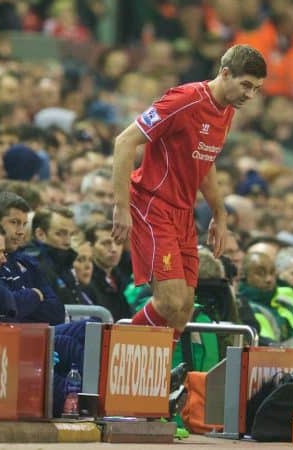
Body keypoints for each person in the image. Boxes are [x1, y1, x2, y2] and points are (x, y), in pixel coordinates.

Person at [111, 44, 267, 346]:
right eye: (246, 85)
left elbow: (203, 162)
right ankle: (113, 355)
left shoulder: (226, 110)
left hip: (183, 213)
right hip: (152, 203)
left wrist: (220, 215)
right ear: (225, 73)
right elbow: (124, 142)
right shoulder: (183, 100)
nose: (250, 95)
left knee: (182, 311)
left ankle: (151, 380)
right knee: (168, 302)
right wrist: (121, 207)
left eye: (257, 89)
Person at [0, 192, 65, 325]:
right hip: (8, 336)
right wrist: (35, 295)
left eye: (24, 224)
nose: (21, 231)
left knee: (91, 325)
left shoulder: (27, 262)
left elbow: (57, 312)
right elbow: (7, 307)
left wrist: (24, 306)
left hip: (36, 333)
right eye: (14, 222)